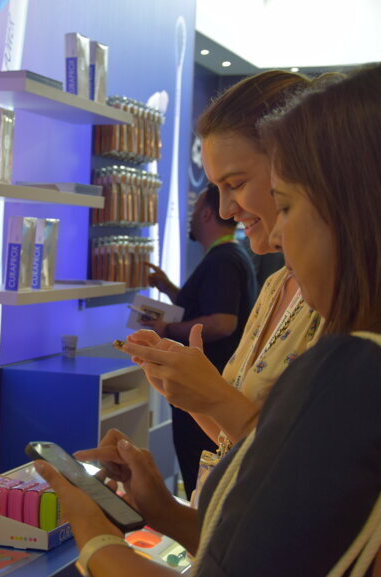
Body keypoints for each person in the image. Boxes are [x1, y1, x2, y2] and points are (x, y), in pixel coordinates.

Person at [37, 62, 381, 577]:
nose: (278, 238)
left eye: (288, 204)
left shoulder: (362, 366)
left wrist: (94, 536)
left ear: (359, 211)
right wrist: (165, 511)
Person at [132, 70, 325, 453]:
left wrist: (212, 394)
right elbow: (235, 446)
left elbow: (313, 471)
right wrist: (191, 393)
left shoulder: (348, 300)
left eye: (235, 184)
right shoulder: (276, 286)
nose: (225, 208)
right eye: (217, 189)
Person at [142, 182, 256, 494]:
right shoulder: (228, 258)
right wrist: (169, 290)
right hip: (210, 392)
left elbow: (221, 322)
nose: (190, 218)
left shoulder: (223, 260)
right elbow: (208, 308)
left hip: (208, 391)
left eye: (194, 211)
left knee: (203, 483)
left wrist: (168, 331)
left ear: (207, 214)